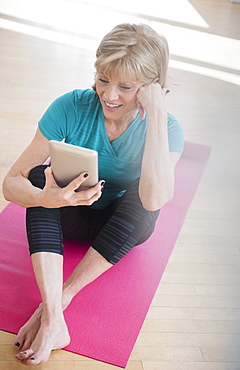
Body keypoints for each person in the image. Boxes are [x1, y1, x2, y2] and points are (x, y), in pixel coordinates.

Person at [2, 23, 184, 366]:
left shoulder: (167, 127)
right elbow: (11, 183)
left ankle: (60, 299)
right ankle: (55, 319)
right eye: (103, 79)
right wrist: (49, 198)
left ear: (151, 88)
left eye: (126, 87)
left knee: (145, 194)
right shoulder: (71, 106)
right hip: (74, 211)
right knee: (43, 178)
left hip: (121, 226)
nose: (109, 95)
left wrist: (157, 114)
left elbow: (155, 201)